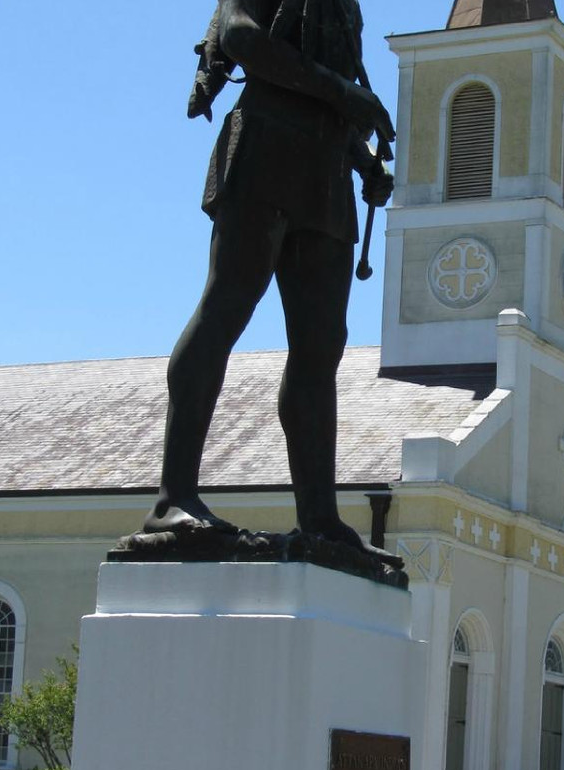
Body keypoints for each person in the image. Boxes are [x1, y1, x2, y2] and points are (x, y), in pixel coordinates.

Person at [141, 0, 400, 567]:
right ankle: (173, 498)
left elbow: (326, 98)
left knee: (320, 348)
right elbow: (240, 36)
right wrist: (344, 93)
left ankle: (319, 518)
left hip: (326, 171)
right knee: (226, 308)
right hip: (267, 145)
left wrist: (365, 163)